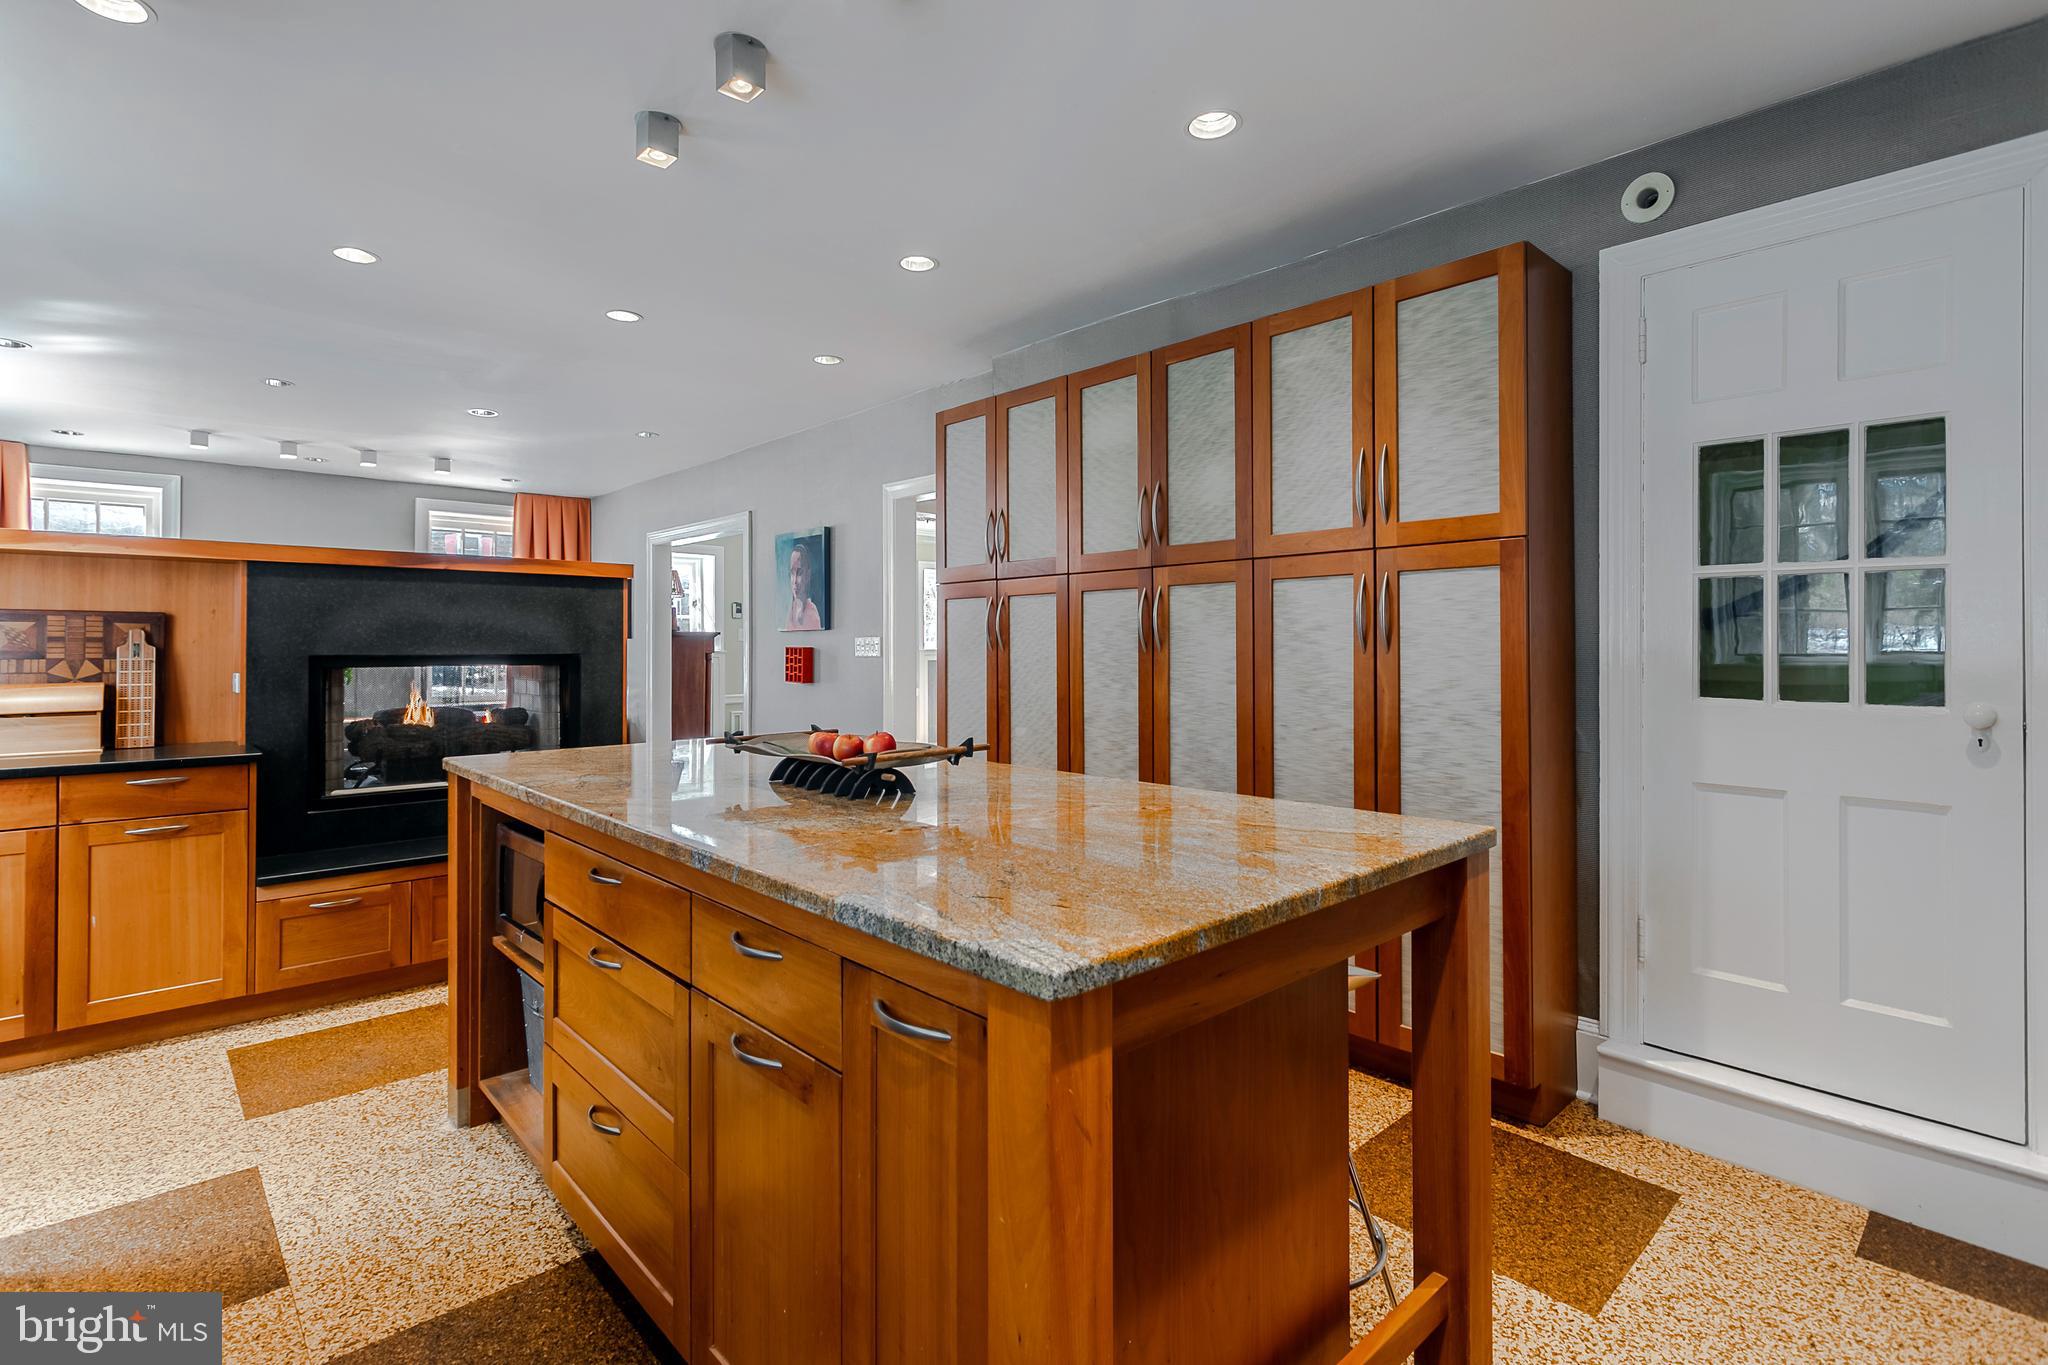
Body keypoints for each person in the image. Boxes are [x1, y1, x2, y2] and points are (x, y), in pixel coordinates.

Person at [784, 539, 822, 630]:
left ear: (808, 575)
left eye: (800, 572)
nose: (795, 581)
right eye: (792, 573)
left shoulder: (812, 614)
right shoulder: (790, 611)